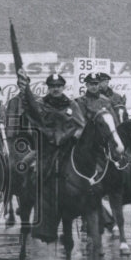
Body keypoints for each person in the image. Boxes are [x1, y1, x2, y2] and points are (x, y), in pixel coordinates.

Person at [16, 71, 87, 242]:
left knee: (89, 176)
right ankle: (28, 205)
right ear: (48, 88)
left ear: (63, 87)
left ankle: (95, 214)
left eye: (59, 86)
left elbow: (81, 125)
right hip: (46, 149)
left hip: (68, 148)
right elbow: (29, 108)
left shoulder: (72, 105)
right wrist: (24, 88)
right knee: (28, 169)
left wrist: (77, 133)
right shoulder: (40, 104)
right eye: (52, 87)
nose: (56, 89)